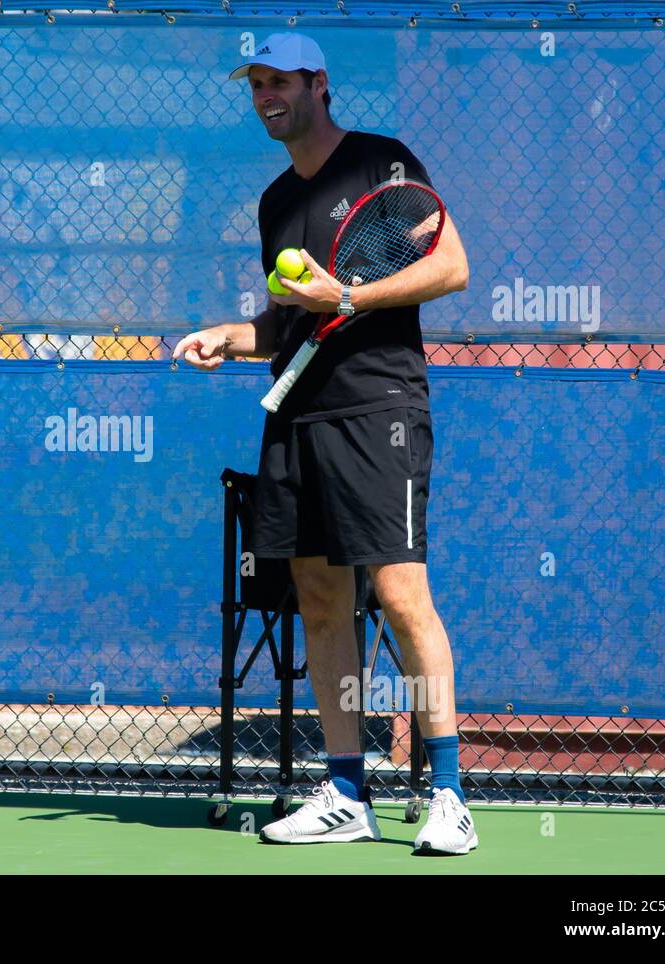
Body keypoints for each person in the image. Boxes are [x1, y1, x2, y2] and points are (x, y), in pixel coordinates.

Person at [173, 34, 477, 855]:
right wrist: (231, 336)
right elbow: (288, 320)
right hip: (296, 416)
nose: (266, 95)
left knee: (402, 592)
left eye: (280, 82)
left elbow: (451, 266)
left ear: (319, 84)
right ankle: (347, 789)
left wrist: (352, 292)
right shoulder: (276, 202)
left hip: (378, 408)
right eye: (256, 84)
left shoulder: (383, 164)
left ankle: (449, 793)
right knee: (317, 593)